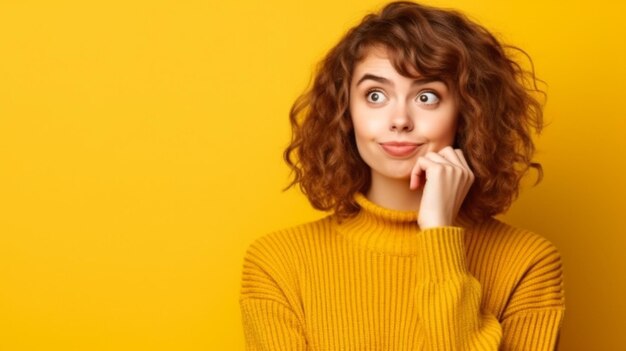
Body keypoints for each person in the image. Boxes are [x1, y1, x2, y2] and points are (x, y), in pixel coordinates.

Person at [239, 1, 565, 350]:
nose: (399, 119)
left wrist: (439, 234)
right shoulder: (278, 262)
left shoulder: (529, 263)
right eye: (376, 95)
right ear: (345, 111)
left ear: (468, 113)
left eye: (426, 96)